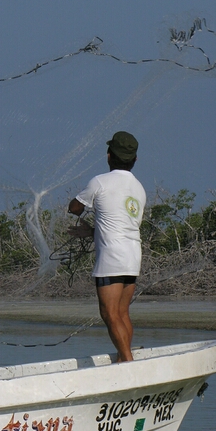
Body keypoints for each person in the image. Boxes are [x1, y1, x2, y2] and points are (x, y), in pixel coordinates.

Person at [68, 131, 146, 363]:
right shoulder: (139, 188)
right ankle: (124, 359)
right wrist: (92, 232)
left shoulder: (100, 182)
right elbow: (120, 224)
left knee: (109, 314)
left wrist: (81, 210)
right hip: (133, 256)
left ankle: (128, 362)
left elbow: (74, 208)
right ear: (134, 160)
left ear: (109, 156)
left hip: (112, 257)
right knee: (122, 313)